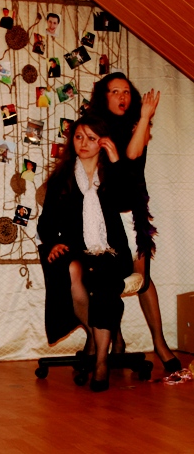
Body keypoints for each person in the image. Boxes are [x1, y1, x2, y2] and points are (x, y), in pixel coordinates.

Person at [87, 72, 181, 372]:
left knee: (143, 280)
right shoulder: (94, 127)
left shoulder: (137, 124)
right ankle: (114, 339)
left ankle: (160, 344)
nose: (122, 96)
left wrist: (143, 118)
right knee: (108, 279)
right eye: (115, 91)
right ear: (104, 96)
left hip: (133, 211)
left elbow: (132, 155)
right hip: (105, 213)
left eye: (126, 91)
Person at [37, 115, 136, 391]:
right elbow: (47, 222)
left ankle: (101, 362)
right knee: (69, 269)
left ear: (102, 143)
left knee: (104, 281)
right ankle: (98, 333)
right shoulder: (62, 178)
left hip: (111, 250)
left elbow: (128, 200)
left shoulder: (110, 173)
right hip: (77, 250)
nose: (83, 143)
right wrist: (51, 242)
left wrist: (116, 160)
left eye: (91, 138)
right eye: (79, 137)